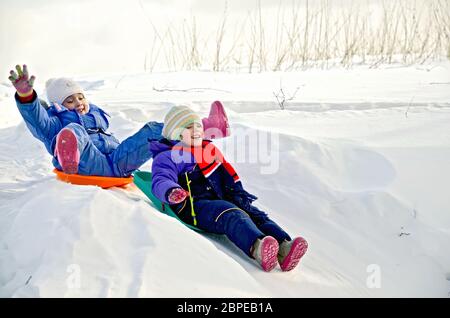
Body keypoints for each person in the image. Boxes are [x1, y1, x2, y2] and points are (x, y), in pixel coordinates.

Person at [150, 106, 308, 272]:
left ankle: (284, 247)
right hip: (194, 205)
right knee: (230, 213)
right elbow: (161, 179)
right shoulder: (167, 156)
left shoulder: (207, 150)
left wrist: (235, 193)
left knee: (253, 213)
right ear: (177, 133)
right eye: (189, 127)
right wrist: (172, 191)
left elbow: (224, 174)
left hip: (221, 196)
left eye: (198, 126)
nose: (196, 130)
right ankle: (258, 247)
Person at [8, 64, 229, 177]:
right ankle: (69, 155)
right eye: (69, 100)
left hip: (116, 163)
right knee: (73, 130)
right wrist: (27, 97)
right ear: (58, 106)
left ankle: (207, 127)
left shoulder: (95, 116)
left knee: (152, 129)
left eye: (80, 96)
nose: (78, 102)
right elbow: (38, 121)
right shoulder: (55, 124)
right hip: (87, 165)